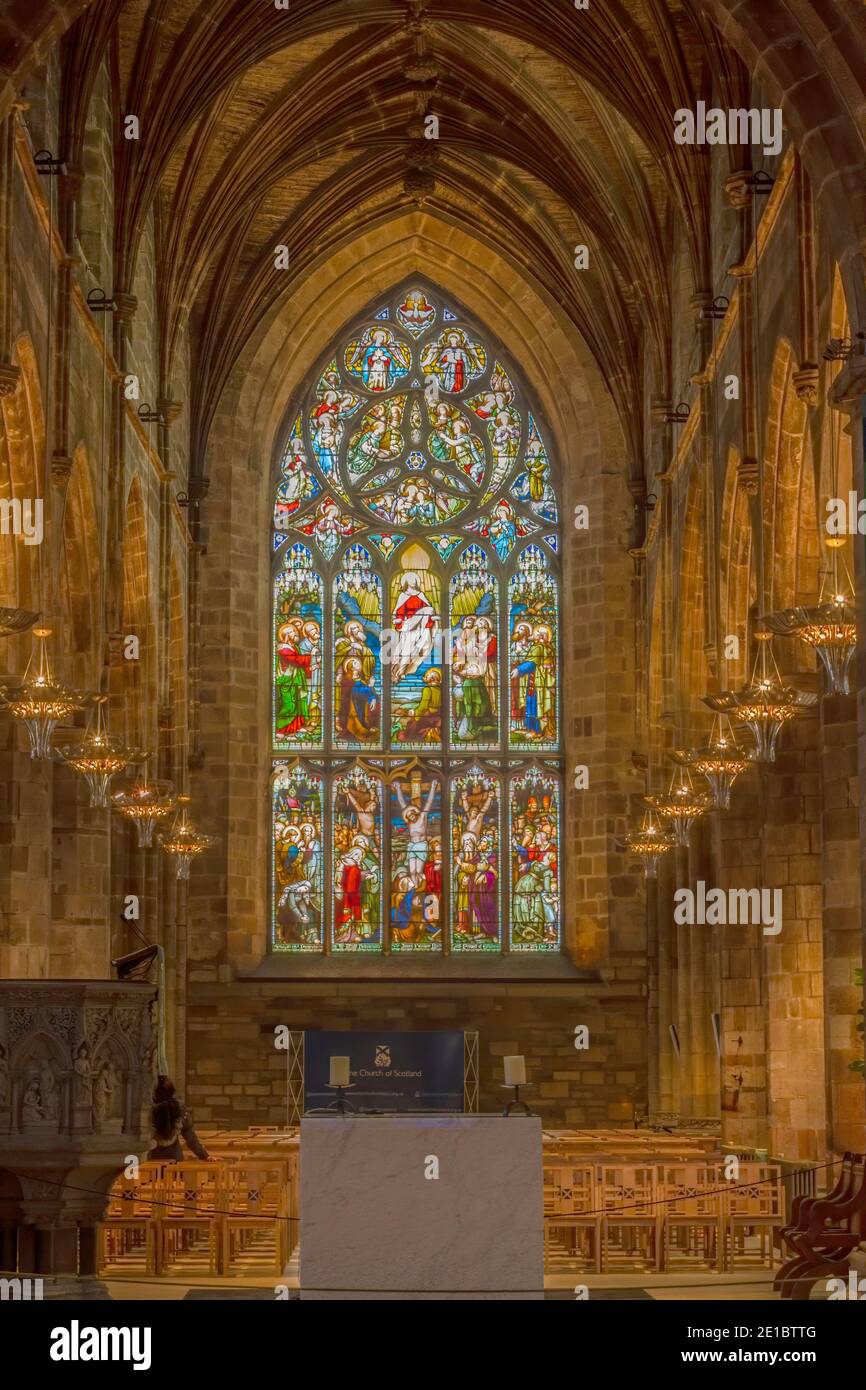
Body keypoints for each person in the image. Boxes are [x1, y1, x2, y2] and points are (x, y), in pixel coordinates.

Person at [148, 1076, 210, 1162]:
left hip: (152, 1155)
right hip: (173, 1156)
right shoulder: (180, 1108)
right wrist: (204, 1155)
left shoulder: (148, 1109)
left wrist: (205, 1156)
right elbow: (190, 1137)